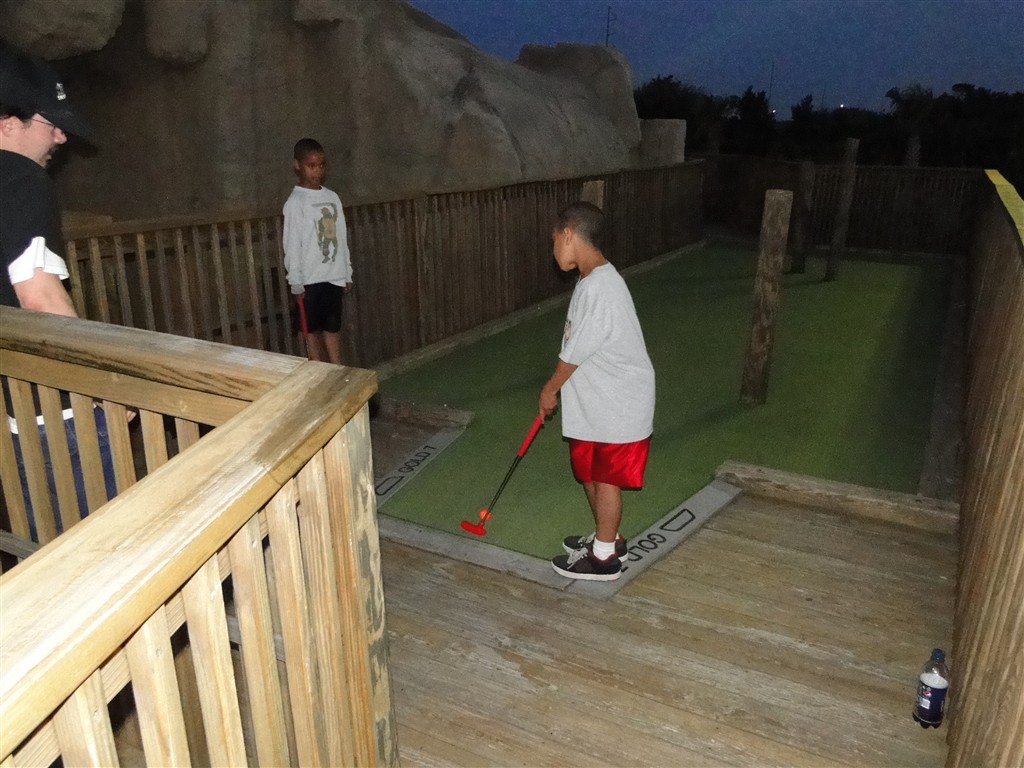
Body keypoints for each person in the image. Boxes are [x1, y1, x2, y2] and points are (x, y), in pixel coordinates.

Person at [1, 42, 116, 536]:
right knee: (106, 540)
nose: (61, 136)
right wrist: (104, 383)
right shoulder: (24, 181)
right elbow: (39, 295)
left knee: (46, 542)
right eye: (51, 123)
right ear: (9, 122)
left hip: (12, 407)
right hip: (56, 412)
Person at [539, 201, 655, 581]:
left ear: (568, 235)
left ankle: (604, 559)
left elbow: (574, 352)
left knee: (606, 478)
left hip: (619, 404)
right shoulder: (589, 281)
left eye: (554, 241)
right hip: (598, 403)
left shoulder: (602, 287)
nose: (553, 250)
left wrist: (550, 389)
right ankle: (608, 538)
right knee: (589, 471)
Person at [282, 138, 353, 364]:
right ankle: (319, 373)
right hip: (309, 279)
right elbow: (292, 243)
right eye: (311, 166)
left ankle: (337, 370)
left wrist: (346, 272)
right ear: (297, 165)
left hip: (333, 275)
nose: (317, 171)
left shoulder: (332, 198)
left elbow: (341, 236)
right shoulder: (295, 203)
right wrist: (295, 280)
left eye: (321, 165)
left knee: (332, 328)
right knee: (311, 331)